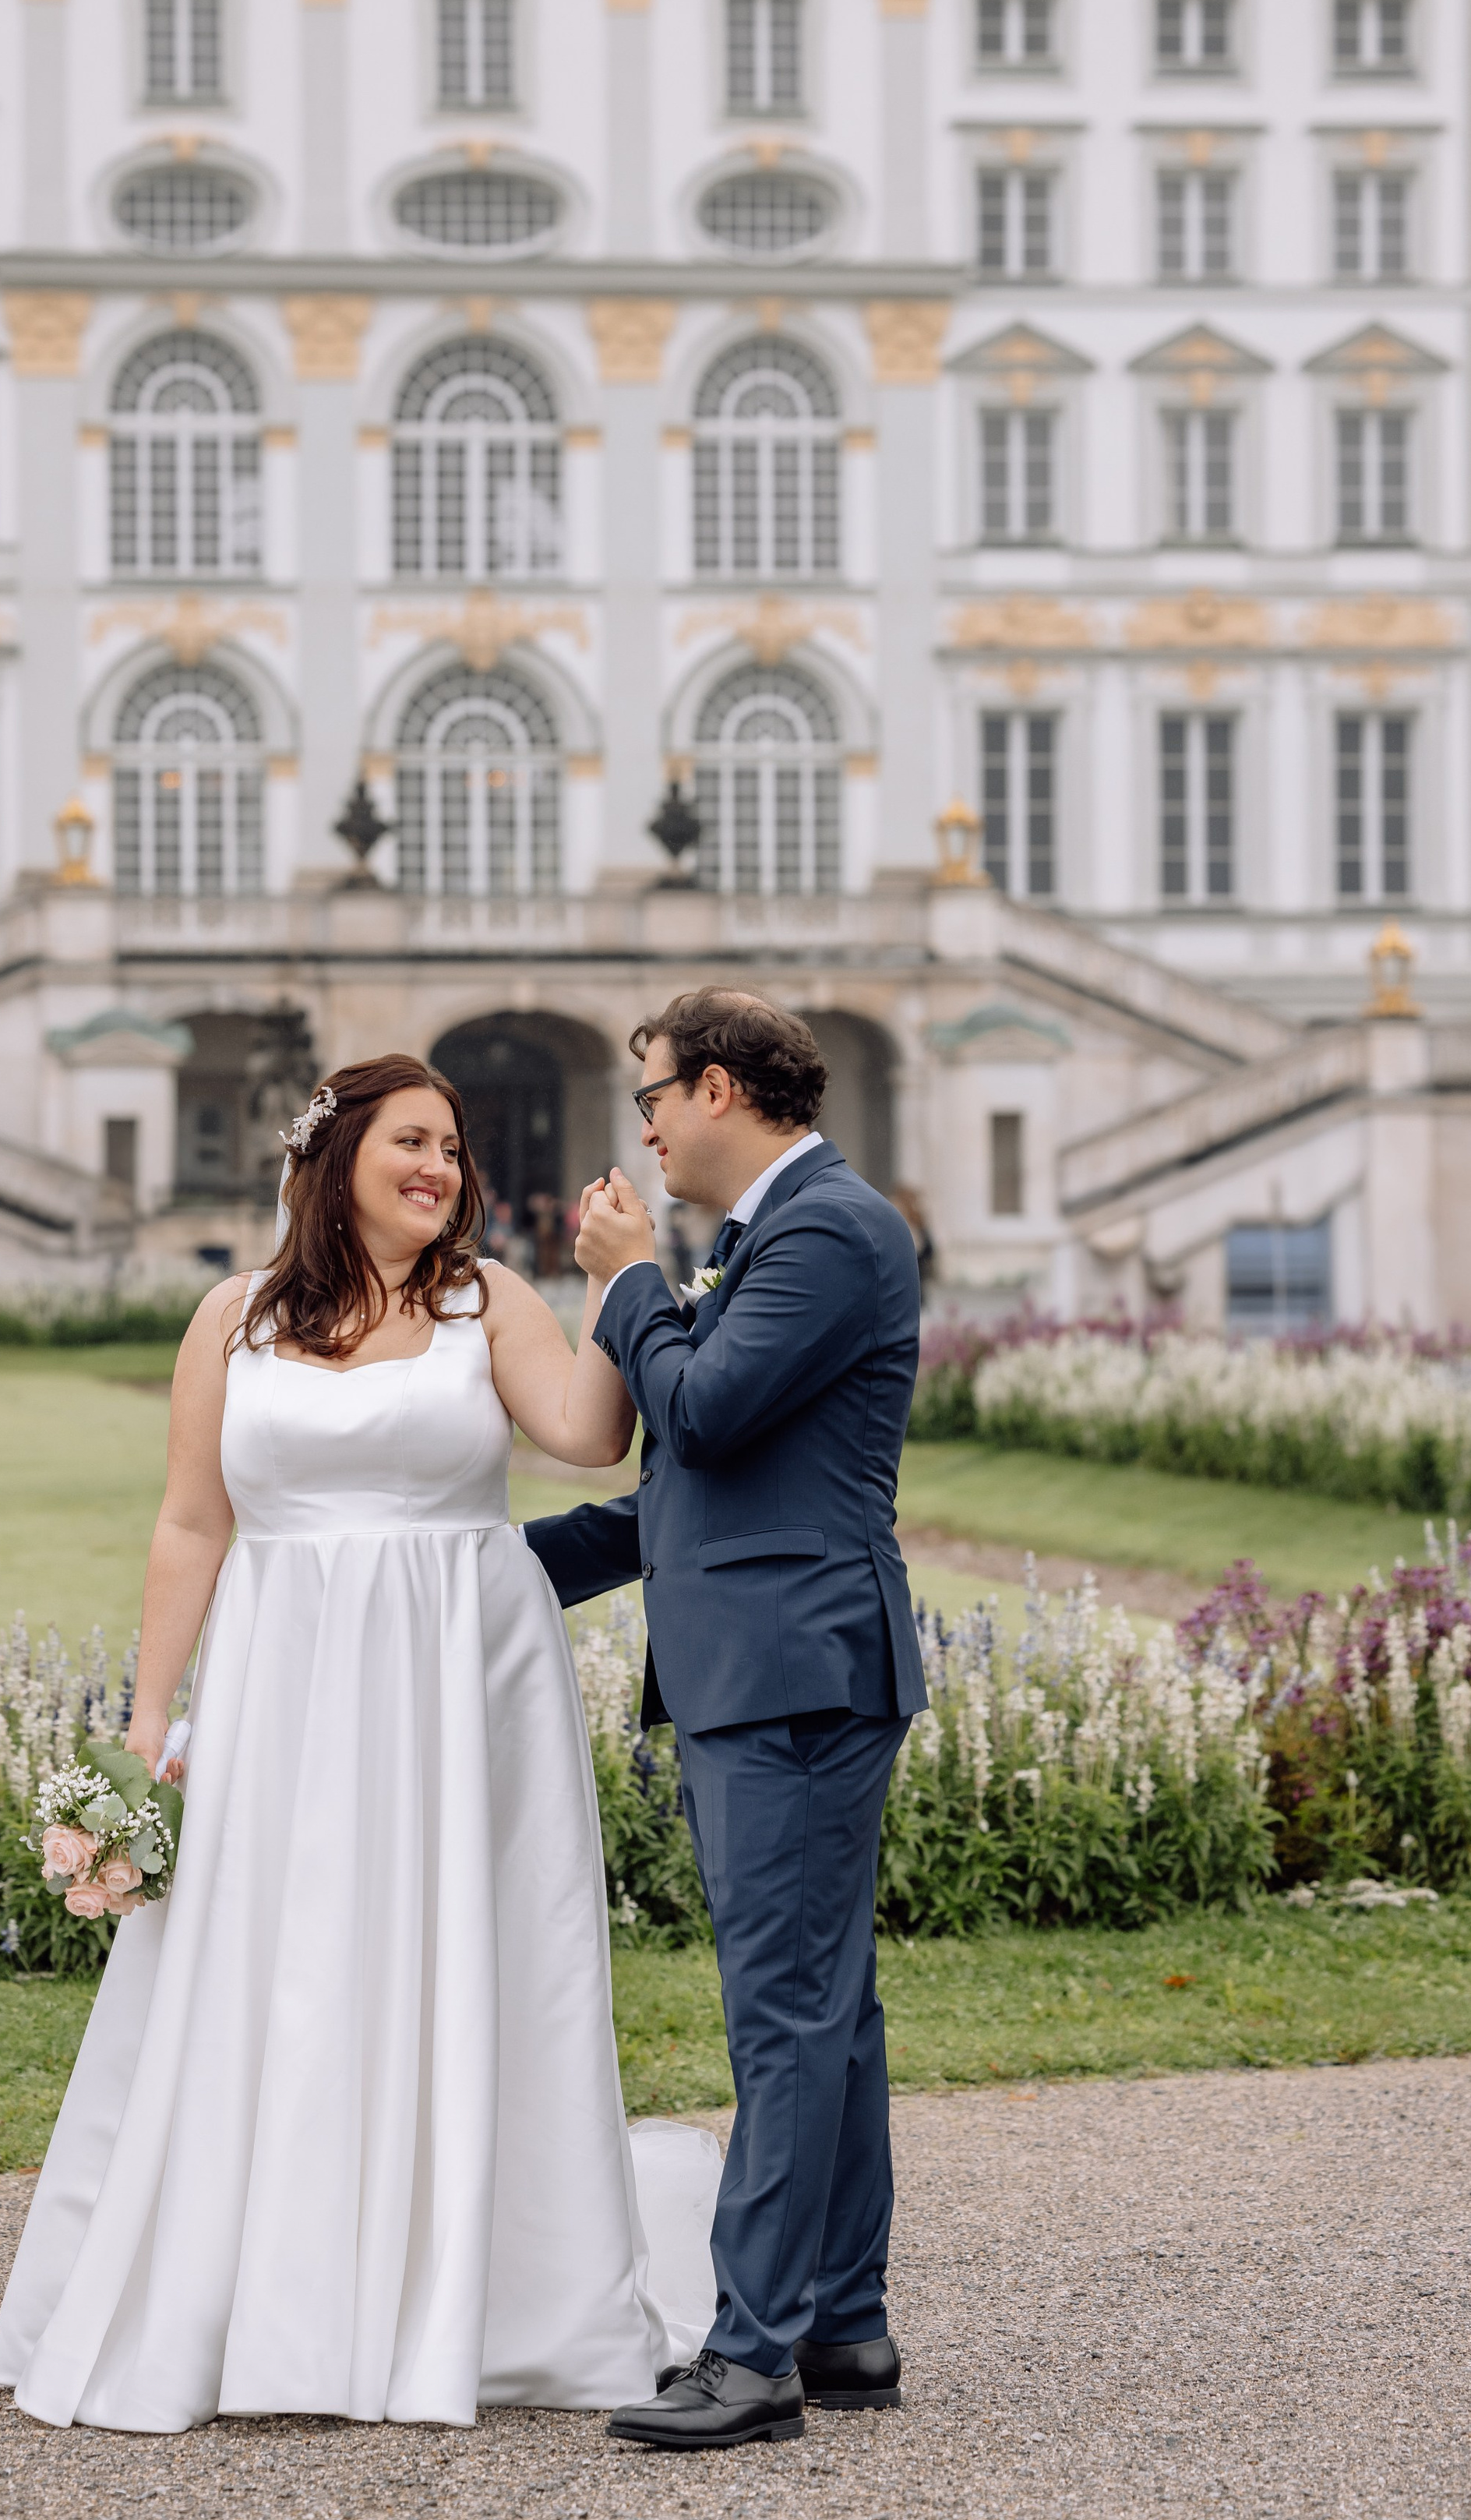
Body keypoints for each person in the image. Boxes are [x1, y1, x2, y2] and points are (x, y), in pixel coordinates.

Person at [0, 1054, 715, 2432]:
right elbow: (193, 1524)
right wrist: (147, 1724)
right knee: (282, 1963)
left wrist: (628, 1280)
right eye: (412, 1142)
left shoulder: (484, 1300)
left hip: (458, 1673)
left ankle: (466, 2297)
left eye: (453, 1147)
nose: (440, 1168)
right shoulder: (233, 1318)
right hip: (282, 1677)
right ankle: (267, 2296)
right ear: (337, 1158)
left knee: (459, 1953)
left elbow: (585, 1433)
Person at [527, 990, 927, 2455]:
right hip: (771, 1669)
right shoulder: (780, 1234)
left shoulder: (828, 1228)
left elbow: (702, 1412)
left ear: (715, 1089)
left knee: (790, 2018)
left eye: (651, 1099)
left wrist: (630, 1280)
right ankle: (838, 2318)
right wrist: (502, 1567)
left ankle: (753, 2356)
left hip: (796, 1679)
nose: (640, 1128)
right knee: (832, 2015)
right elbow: (698, 1486)